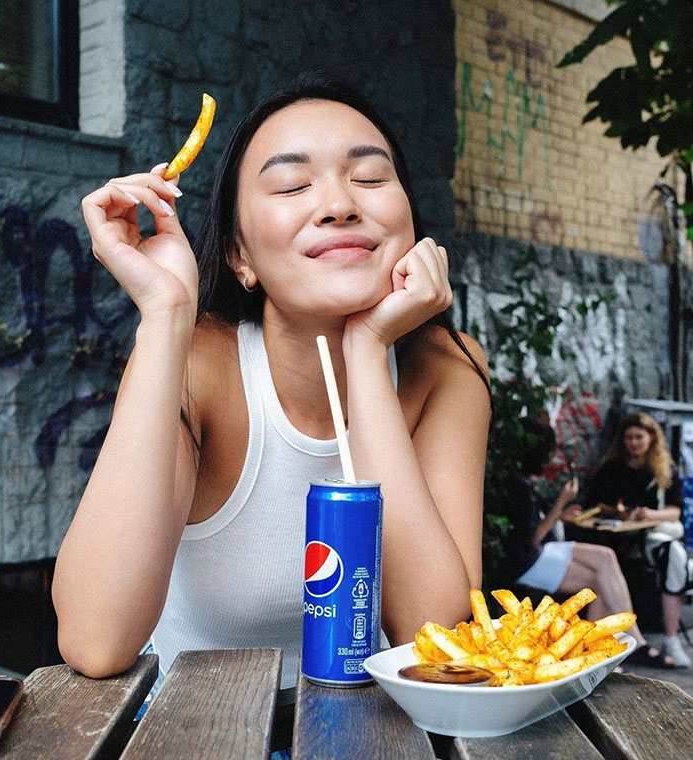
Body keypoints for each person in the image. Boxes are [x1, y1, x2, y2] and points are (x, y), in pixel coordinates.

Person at [50, 78, 491, 692]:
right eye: (291, 185)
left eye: (368, 178)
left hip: (374, 730)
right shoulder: (197, 360)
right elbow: (97, 640)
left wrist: (366, 353)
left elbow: (436, 641)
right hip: (198, 730)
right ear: (240, 257)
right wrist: (165, 314)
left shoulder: (449, 367)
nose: (339, 204)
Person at [500, 418, 649, 655]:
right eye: (551, 451)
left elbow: (532, 525)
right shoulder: (517, 484)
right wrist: (561, 502)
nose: (553, 458)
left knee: (606, 557)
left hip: (538, 551)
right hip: (526, 561)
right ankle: (620, 644)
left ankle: (615, 642)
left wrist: (560, 515)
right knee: (600, 579)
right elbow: (531, 538)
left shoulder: (521, 481)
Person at [586, 412, 692, 668]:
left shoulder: (664, 470)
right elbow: (597, 503)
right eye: (629, 437)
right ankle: (606, 643)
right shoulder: (613, 469)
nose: (633, 442)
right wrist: (616, 512)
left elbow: (675, 511)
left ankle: (670, 638)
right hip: (619, 538)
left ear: (651, 438)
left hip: (650, 536)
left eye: (639, 437)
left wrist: (649, 514)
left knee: (674, 557)